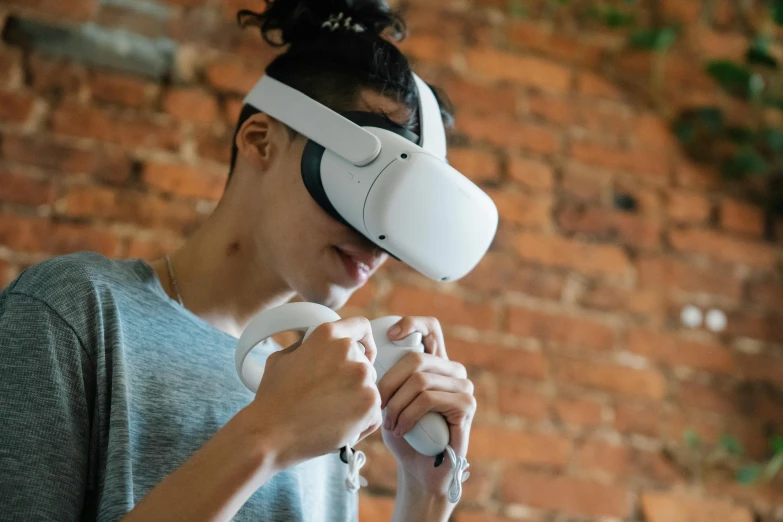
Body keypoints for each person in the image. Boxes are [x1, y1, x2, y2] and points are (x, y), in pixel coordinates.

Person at [0, 0, 477, 520]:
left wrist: (425, 491)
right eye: (363, 192)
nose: (377, 243)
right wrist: (266, 437)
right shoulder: (74, 313)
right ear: (259, 141)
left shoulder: (322, 379)